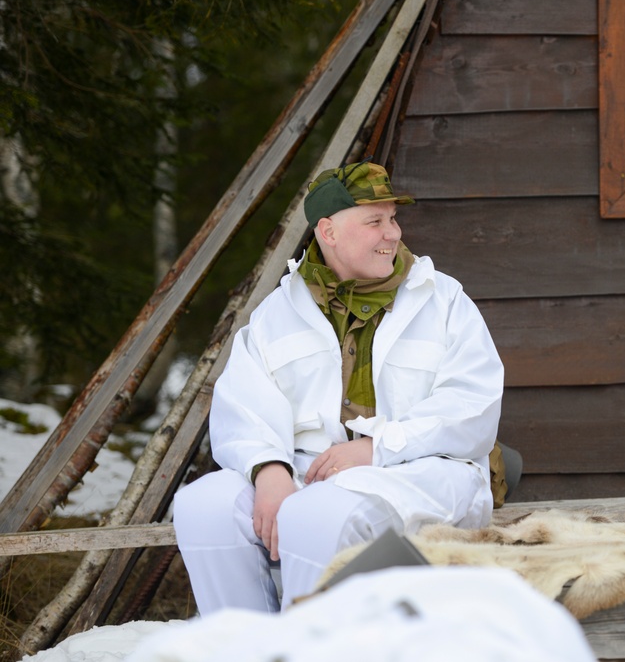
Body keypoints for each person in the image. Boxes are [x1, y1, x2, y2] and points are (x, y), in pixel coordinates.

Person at [172, 161, 505, 614]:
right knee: (202, 506)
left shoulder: (442, 300)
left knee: (317, 516)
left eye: (393, 218)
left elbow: (472, 407)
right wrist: (267, 469)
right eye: (375, 221)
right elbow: (242, 405)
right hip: (309, 472)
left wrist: (378, 448)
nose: (392, 233)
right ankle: (243, 648)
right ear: (328, 232)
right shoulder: (280, 310)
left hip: (422, 472)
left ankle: (308, 647)